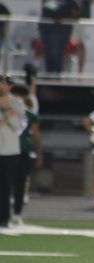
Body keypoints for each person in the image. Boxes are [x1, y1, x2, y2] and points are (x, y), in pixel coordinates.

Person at [11, 82, 43, 225]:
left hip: (22, 149)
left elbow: (36, 135)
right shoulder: (6, 110)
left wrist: (39, 153)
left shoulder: (30, 115)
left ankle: (17, 213)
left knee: (20, 182)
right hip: (8, 149)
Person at [0, 75, 25, 228]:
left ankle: (4, 218)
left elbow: (17, 125)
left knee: (5, 186)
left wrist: (8, 108)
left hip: (9, 150)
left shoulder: (16, 102)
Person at [39, 0, 80, 73]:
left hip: (61, 32)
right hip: (47, 31)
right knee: (49, 54)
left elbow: (76, 15)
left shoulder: (70, 2)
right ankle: (49, 76)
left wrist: (63, 17)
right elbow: (45, 10)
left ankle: (56, 76)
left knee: (56, 54)